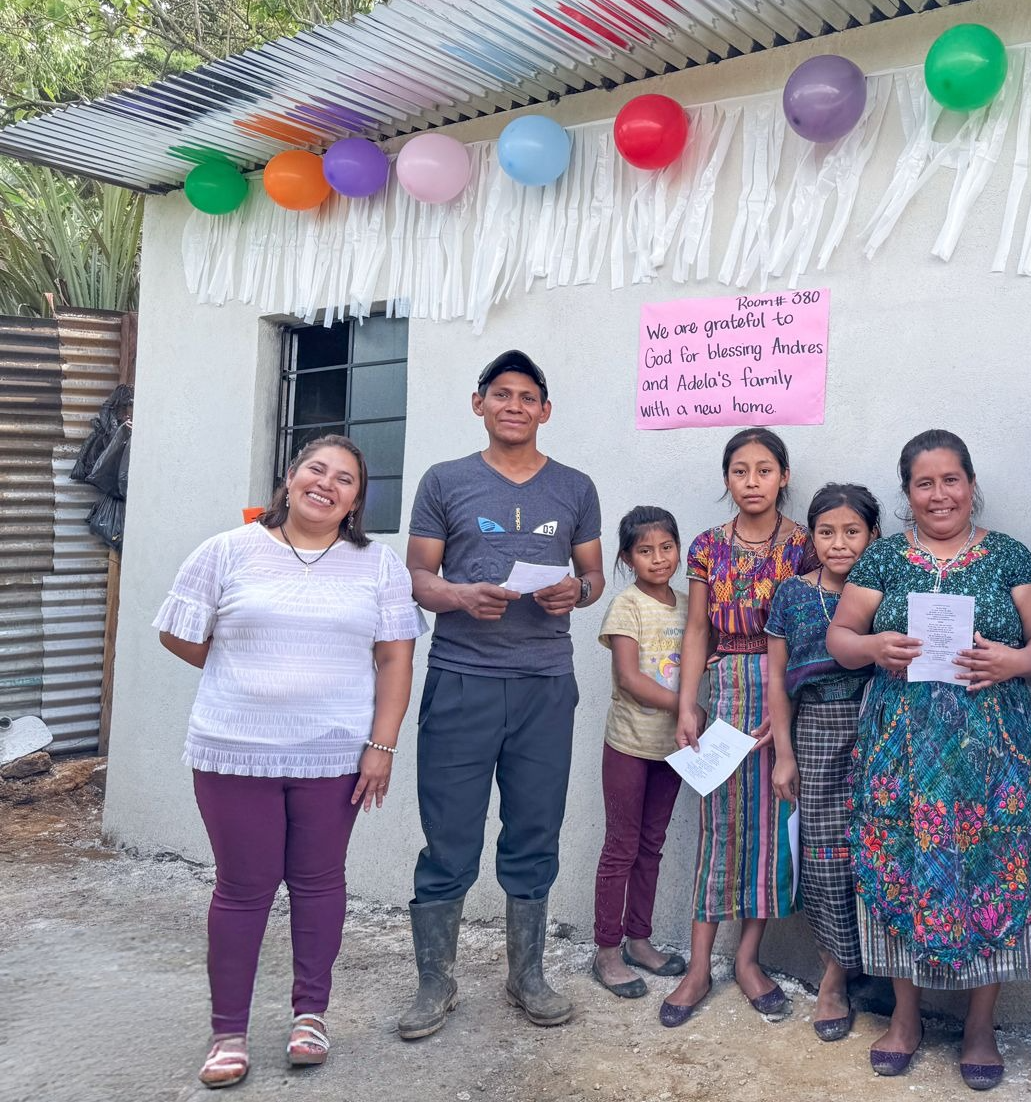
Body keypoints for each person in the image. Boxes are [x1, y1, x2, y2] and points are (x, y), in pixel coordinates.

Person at [154, 435, 425, 1089]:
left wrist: (381, 746)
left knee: (318, 883)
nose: (327, 485)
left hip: (334, 756)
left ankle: (310, 1016)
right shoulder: (227, 550)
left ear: (358, 500)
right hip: (234, 752)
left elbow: (395, 658)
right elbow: (177, 630)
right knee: (243, 890)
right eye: (316, 470)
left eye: (346, 480)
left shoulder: (378, 565)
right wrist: (241, 671)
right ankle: (228, 1032)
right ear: (290, 476)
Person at [828, 430, 1031, 1091]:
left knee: (991, 873)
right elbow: (840, 637)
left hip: (996, 755)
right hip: (900, 751)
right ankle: (905, 1018)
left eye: (951, 479)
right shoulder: (882, 562)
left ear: (971, 483)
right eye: (925, 483)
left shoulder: (1008, 556)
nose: (940, 494)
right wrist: (873, 649)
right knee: (901, 869)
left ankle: (980, 1026)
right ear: (908, 493)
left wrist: (1017, 660)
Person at [399, 350, 604, 1039]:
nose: (514, 406)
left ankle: (527, 975)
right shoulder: (444, 481)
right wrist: (459, 595)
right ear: (478, 403)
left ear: (546, 410)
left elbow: (595, 577)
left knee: (534, 830)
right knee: (450, 835)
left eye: (527, 397)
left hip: (546, 681)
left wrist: (577, 590)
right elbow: (418, 578)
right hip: (462, 677)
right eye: (501, 395)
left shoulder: (575, 487)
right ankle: (435, 982)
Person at [659, 427, 810, 1027]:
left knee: (772, 830)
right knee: (719, 828)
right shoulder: (705, 547)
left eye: (764, 469)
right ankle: (699, 967)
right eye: (740, 471)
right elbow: (696, 630)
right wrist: (686, 703)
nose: (752, 481)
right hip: (722, 691)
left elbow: (807, 626)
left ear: (784, 476)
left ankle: (748, 961)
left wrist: (786, 708)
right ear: (727, 479)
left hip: (781, 691)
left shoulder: (802, 544)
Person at [767, 483, 881, 1042]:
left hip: (882, 727)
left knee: (881, 848)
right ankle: (834, 974)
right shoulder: (791, 594)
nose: (839, 544)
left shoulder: (888, 589)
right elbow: (777, 679)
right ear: (811, 537)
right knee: (825, 856)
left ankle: (883, 966)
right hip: (815, 730)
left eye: (852, 532)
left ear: (873, 535)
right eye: (827, 532)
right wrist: (783, 753)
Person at [591, 505, 690, 998]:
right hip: (630, 744)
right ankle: (607, 951)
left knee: (652, 845)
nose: (658, 558)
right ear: (628, 558)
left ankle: (640, 940)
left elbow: (699, 659)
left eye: (666, 547)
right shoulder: (627, 605)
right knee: (621, 848)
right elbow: (629, 679)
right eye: (645, 551)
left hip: (674, 749)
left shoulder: (691, 605)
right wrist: (687, 705)